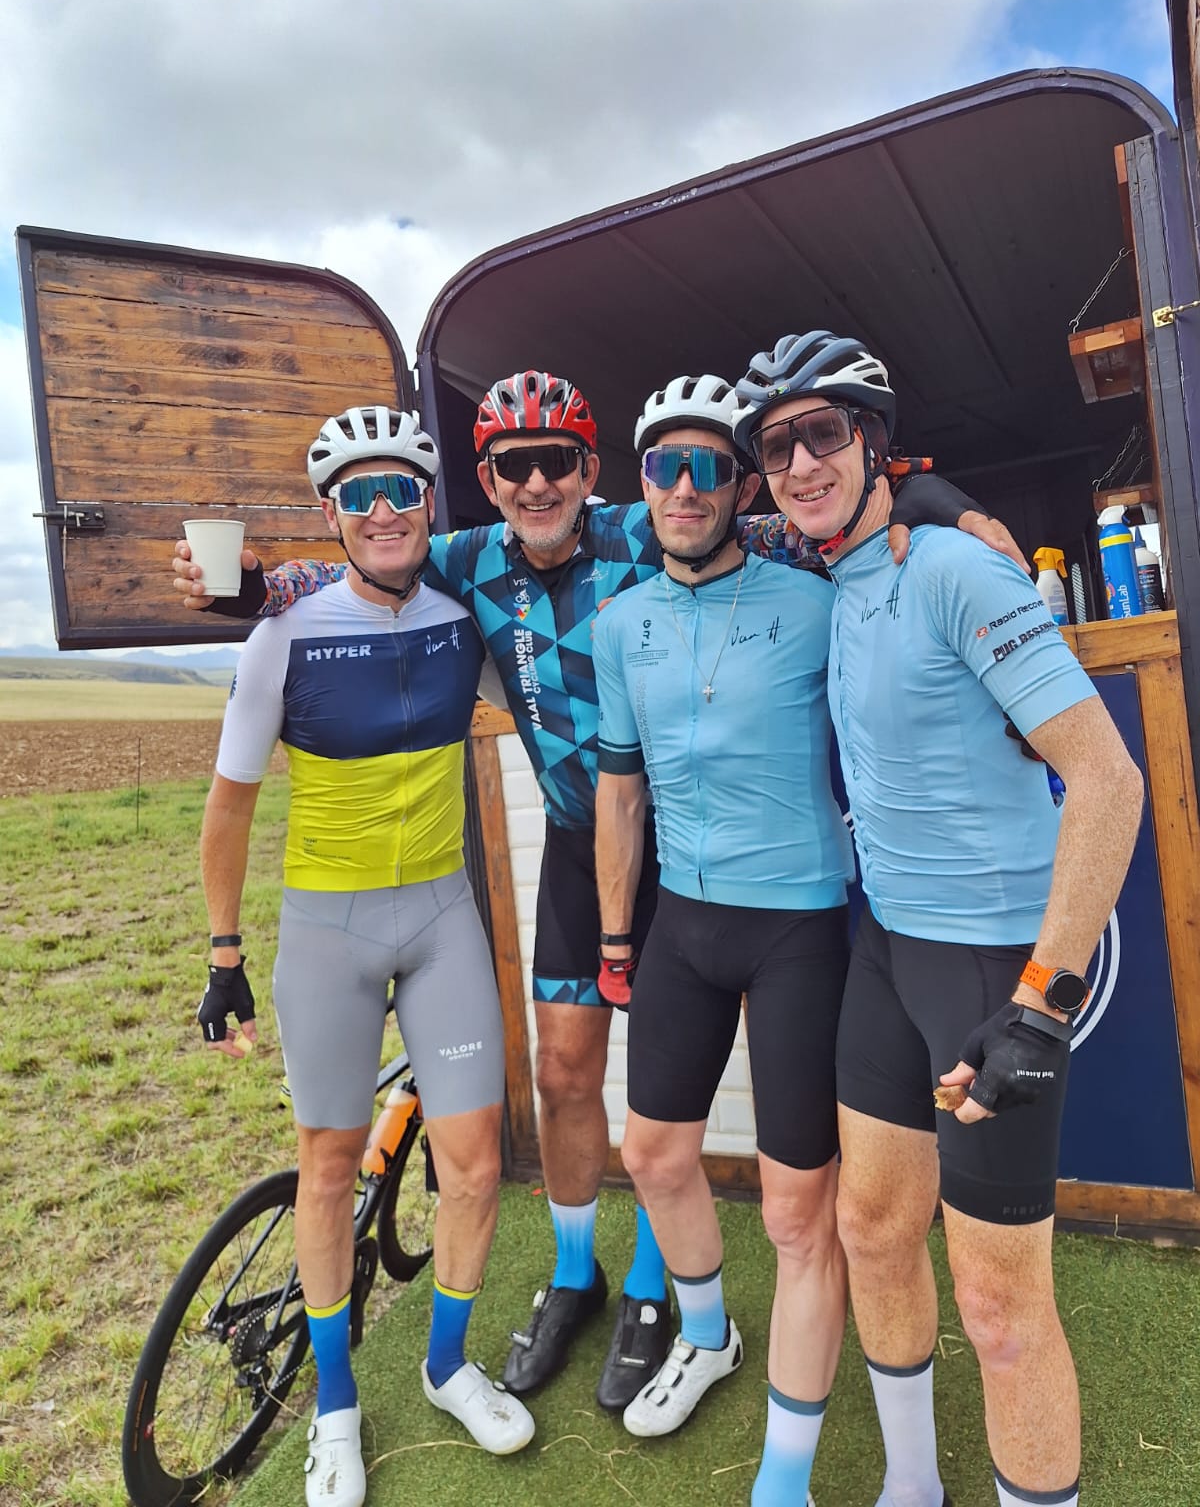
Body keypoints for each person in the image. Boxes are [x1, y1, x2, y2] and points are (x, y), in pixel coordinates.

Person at [175, 370, 1020, 1414]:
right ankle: (576, 1272)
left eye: (557, 462)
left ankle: (657, 1294)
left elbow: (831, 519)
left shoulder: (661, 514)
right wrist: (251, 577)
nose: (537, 484)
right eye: (512, 467)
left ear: (591, 470)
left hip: (698, 851)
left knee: (671, 1092)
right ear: (481, 481)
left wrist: (946, 505)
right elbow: (355, 557)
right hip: (588, 842)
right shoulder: (461, 557)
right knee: (568, 1069)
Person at [732, 332, 1143, 1507]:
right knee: (868, 1227)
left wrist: (1041, 1000)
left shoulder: (956, 569)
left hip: (990, 966)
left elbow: (1110, 781)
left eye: (824, 432)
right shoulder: (827, 569)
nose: (801, 460)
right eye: (779, 443)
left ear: (870, 440)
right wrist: (936, 492)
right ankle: (911, 1486)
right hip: (886, 948)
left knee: (1001, 1306)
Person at [198, 406, 534, 1507]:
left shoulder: (463, 621)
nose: (383, 510)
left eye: (402, 489)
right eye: (358, 494)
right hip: (326, 929)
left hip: (441, 918)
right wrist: (223, 951)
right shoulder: (283, 635)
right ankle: (335, 1402)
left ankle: (444, 1363)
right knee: (330, 1165)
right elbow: (230, 806)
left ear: (432, 503)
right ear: (331, 514)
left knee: (476, 1160)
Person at [593, 375, 853, 1505]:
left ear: (744, 486)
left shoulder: (814, 601)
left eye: (710, 467)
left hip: (801, 922)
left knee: (801, 1211)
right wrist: (615, 938)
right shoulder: (621, 623)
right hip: (681, 924)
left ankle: (784, 1479)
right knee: (652, 1152)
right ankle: (710, 1335)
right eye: (666, 467)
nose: (686, 487)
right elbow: (620, 793)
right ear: (642, 485)